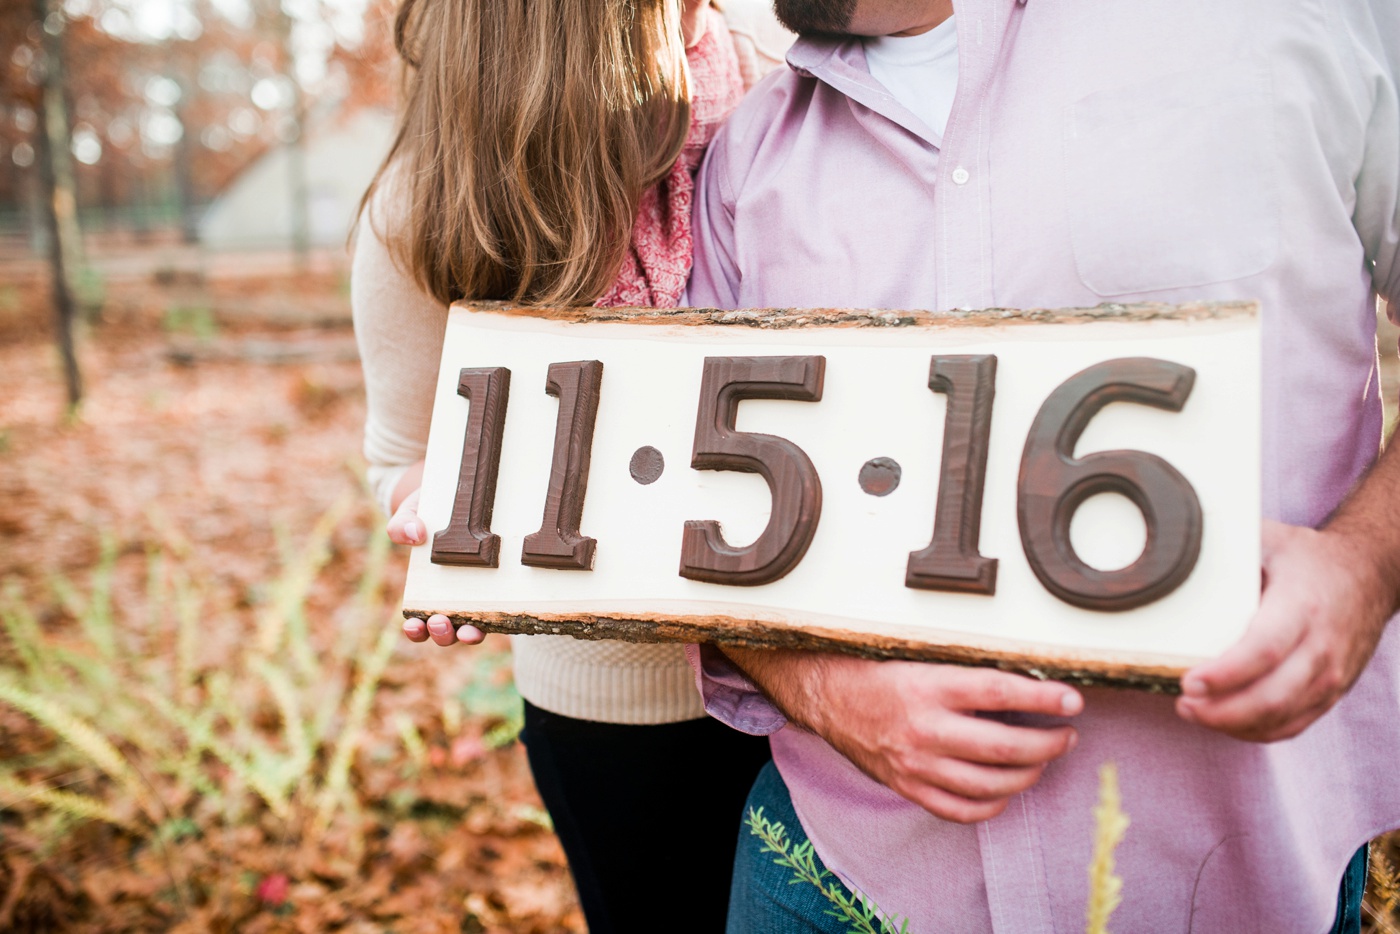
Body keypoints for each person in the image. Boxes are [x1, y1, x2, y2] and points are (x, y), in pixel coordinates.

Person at [684, 0, 1400, 931]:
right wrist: (823, 686)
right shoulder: (747, 155)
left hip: (1242, 879)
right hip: (830, 880)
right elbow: (699, 523)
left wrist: (1363, 566)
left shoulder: (1304, 17)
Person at [349, 1, 792, 930]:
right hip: (619, 711)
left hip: (817, 669)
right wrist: (443, 504)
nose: (696, 20)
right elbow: (401, 451)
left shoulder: (785, 89)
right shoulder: (430, 202)